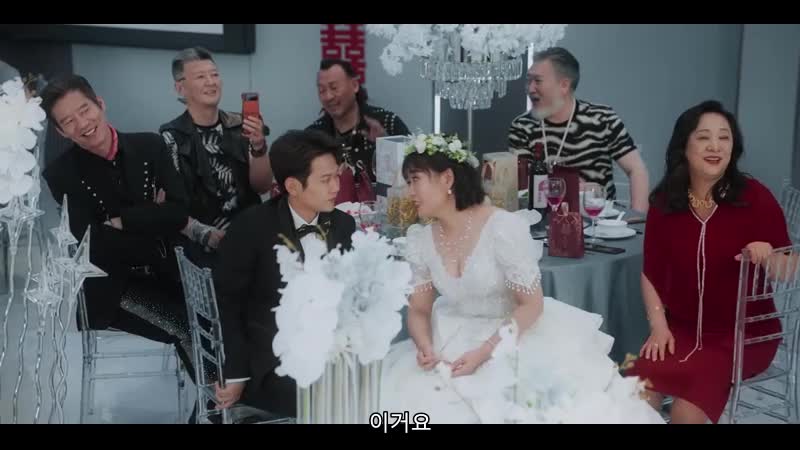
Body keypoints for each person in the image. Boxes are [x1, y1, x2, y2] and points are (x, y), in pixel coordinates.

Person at [378, 136, 663, 424]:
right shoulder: (421, 240)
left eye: (415, 180)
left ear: (447, 178)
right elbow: (419, 309)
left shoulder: (501, 227)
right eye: (408, 182)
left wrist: (484, 352)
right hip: (451, 334)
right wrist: (425, 346)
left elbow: (531, 305)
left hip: (513, 335)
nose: (409, 191)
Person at [625, 100, 792, 424]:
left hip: (744, 337)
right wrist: (658, 326)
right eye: (704, 137)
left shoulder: (755, 197)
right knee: (632, 396)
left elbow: (790, 268)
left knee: (685, 413)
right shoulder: (665, 203)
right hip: (681, 330)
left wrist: (769, 256)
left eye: (724, 137)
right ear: (684, 146)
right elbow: (652, 272)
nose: (715, 146)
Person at [40, 74, 196, 380]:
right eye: (68, 121)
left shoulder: (151, 145)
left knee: (219, 316)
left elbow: (179, 213)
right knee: (188, 327)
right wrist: (155, 216)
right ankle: (218, 405)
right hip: (113, 288)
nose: (82, 124)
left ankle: (222, 401)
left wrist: (122, 221)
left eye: (85, 110)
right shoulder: (61, 174)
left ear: (100, 104)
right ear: (61, 131)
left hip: (167, 272)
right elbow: (94, 245)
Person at [212, 129, 356, 417]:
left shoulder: (343, 225)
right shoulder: (251, 228)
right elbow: (227, 304)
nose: (336, 187)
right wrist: (237, 372)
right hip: (272, 357)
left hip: (331, 348)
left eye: (336, 176)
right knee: (333, 399)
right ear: (292, 185)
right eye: (325, 179)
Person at [159, 47, 273, 268]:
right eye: (201, 77)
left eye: (214, 74)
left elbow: (262, 187)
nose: (211, 82)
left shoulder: (241, 125)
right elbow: (170, 207)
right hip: (200, 250)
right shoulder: (171, 137)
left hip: (250, 238)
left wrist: (259, 146)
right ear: (180, 88)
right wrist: (205, 235)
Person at [509, 47, 650, 212]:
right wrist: (569, 187)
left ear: (564, 85)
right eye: (528, 80)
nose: (530, 88)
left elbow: (636, 169)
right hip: (542, 219)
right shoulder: (522, 126)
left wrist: (637, 217)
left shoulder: (602, 118)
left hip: (599, 220)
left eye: (537, 81)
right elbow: (524, 186)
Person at [307, 58, 410, 182]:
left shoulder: (388, 123)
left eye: (334, 88)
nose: (328, 96)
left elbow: (413, 173)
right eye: (322, 90)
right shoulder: (313, 136)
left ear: (355, 85)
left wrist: (386, 143)